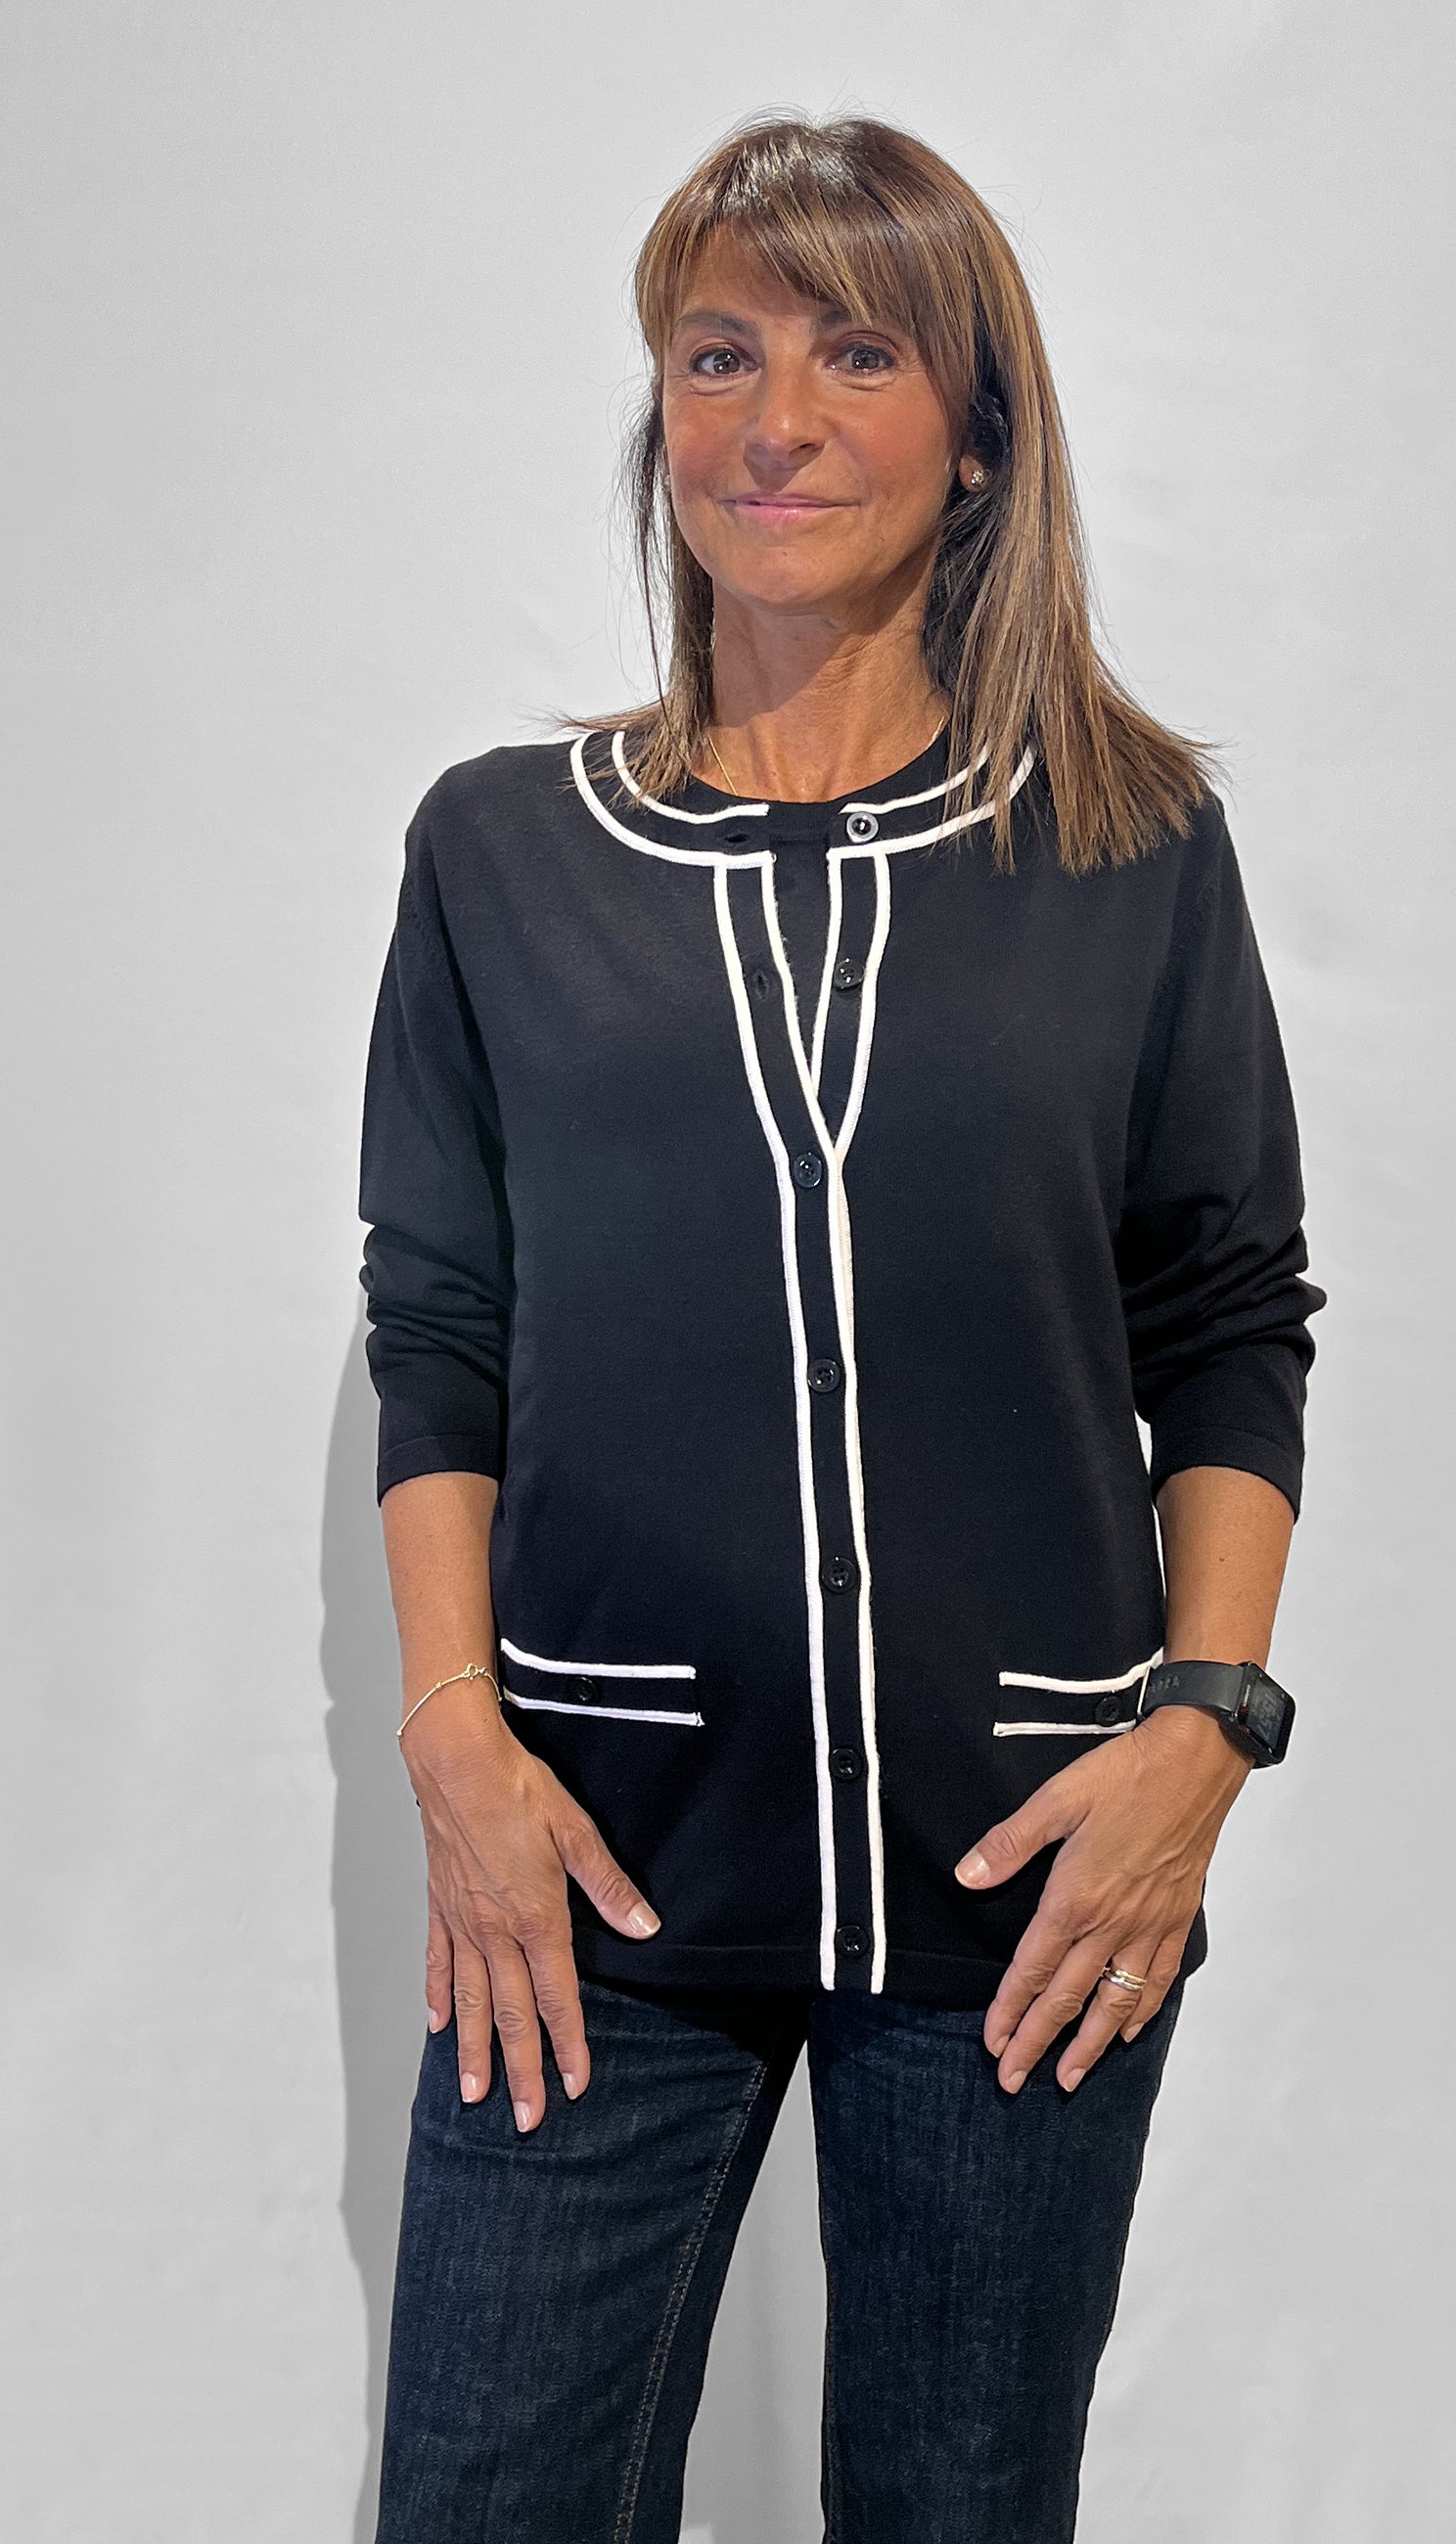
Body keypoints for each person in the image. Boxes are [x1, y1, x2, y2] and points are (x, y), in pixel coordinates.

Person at [357, 113, 1323, 2544]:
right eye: (718, 357)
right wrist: (456, 1738)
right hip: (595, 1863)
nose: (772, 422)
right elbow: (441, 1321)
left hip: (1026, 1866)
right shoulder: (501, 852)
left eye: (856, 355)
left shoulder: (1126, 844)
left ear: (976, 429)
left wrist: (1204, 1727)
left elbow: (1226, 1312)